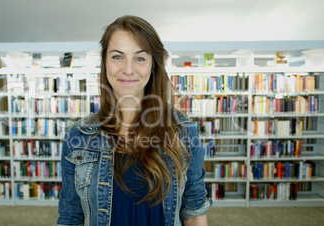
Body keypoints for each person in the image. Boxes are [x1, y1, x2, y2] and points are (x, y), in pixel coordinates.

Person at [57, 15, 212, 226]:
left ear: (152, 65)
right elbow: (70, 218)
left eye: (139, 58)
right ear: (104, 62)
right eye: (117, 57)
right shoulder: (78, 136)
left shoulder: (183, 131)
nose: (128, 69)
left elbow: (193, 213)